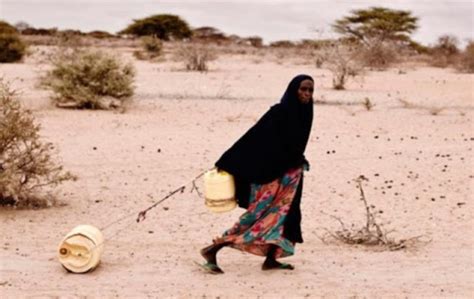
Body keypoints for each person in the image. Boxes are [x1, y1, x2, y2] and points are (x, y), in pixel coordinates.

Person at [200, 74, 314, 274]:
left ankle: (271, 259)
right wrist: (226, 161)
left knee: (286, 217)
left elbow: (295, 146)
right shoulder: (279, 113)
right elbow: (253, 138)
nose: (306, 94)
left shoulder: (306, 112)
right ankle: (213, 249)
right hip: (269, 175)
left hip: (291, 176)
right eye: (303, 89)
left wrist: (298, 161)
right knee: (257, 216)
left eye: (310, 90)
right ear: (293, 89)